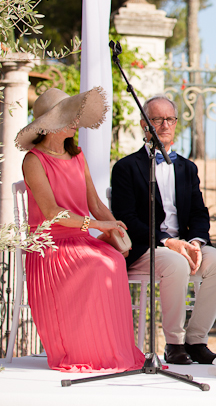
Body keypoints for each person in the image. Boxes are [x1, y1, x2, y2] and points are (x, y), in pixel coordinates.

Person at [16, 87, 145, 372]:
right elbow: (51, 212)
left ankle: (110, 349)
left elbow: (96, 204)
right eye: (69, 114)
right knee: (101, 263)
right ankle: (86, 350)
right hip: (50, 245)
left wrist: (114, 229)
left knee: (112, 260)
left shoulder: (77, 155)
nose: (76, 119)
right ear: (50, 124)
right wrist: (98, 225)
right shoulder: (34, 160)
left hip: (80, 239)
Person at [110, 95, 216, 366]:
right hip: (145, 247)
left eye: (170, 119)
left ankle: (196, 341)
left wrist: (197, 243)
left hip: (183, 246)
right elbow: (126, 218)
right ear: (145, 124)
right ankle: (174, 344)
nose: (164, 125)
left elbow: (200, 214)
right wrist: (168, 242)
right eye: (157, 119)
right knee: (177, 262)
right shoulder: (126, 168)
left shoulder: (188, 168)